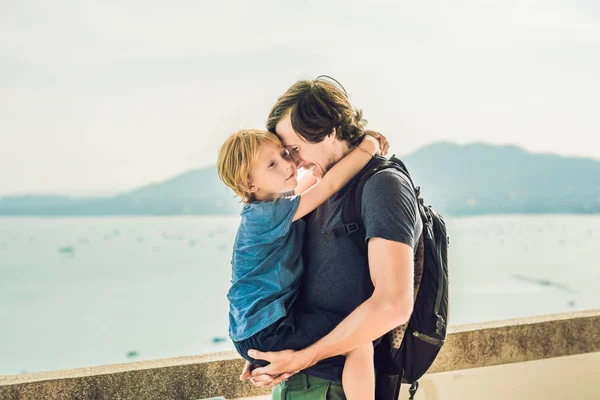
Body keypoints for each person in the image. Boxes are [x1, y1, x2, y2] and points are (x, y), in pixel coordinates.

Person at [240, 77, 423, 400]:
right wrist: (267, 351)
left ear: (331, 130)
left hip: (335, 386)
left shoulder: (382, 185)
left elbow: (393, 304)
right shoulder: (317, 188)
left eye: (294, 150)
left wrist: (303, 356)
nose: (293, 164)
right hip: (297, 379)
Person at [217, 128, 387, 399]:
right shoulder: (270, 214)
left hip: (252, 328)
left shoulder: (268, 206)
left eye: (285, 155)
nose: (287, 164)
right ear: (249, 185)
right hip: (268, 329)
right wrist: (368, 145)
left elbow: (312, 179)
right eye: (272, 164)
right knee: (358, 339)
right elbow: (329, 184)